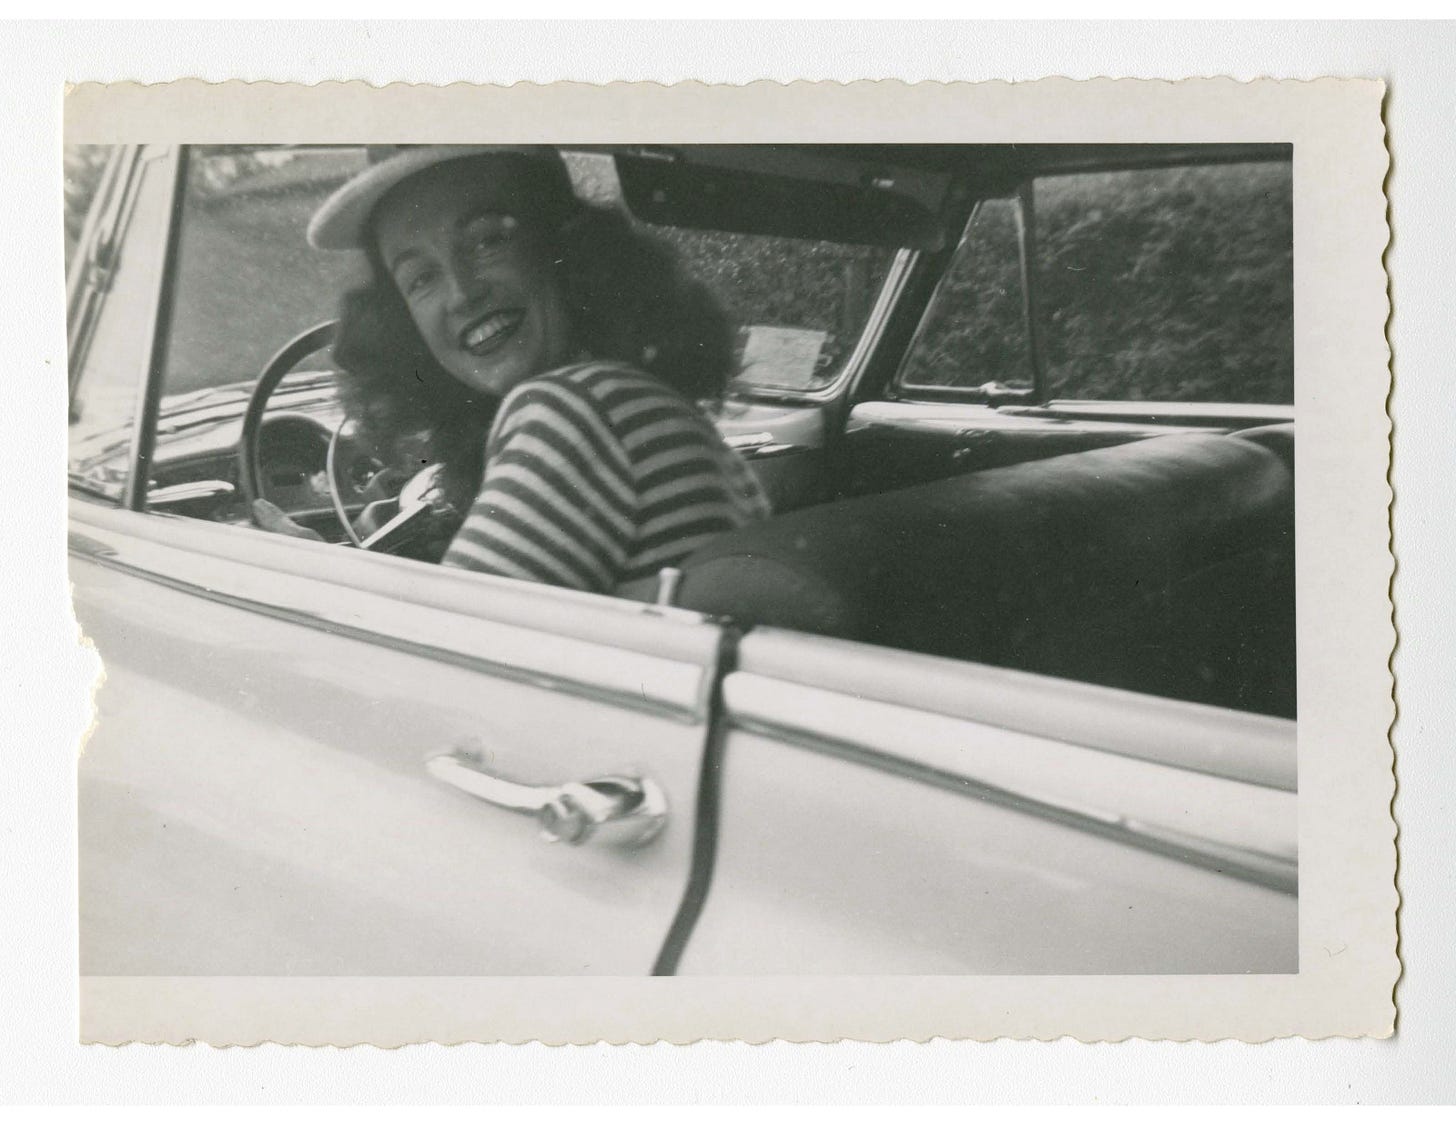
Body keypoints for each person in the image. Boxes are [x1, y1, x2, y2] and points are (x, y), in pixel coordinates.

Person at [257, 145, 770, 593]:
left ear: (565, 247)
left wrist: (309, 573)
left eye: (486, 241)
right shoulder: (625, 397)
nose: (461, 292)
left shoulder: (571, 411)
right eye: (421, 278)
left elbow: (441, 665)